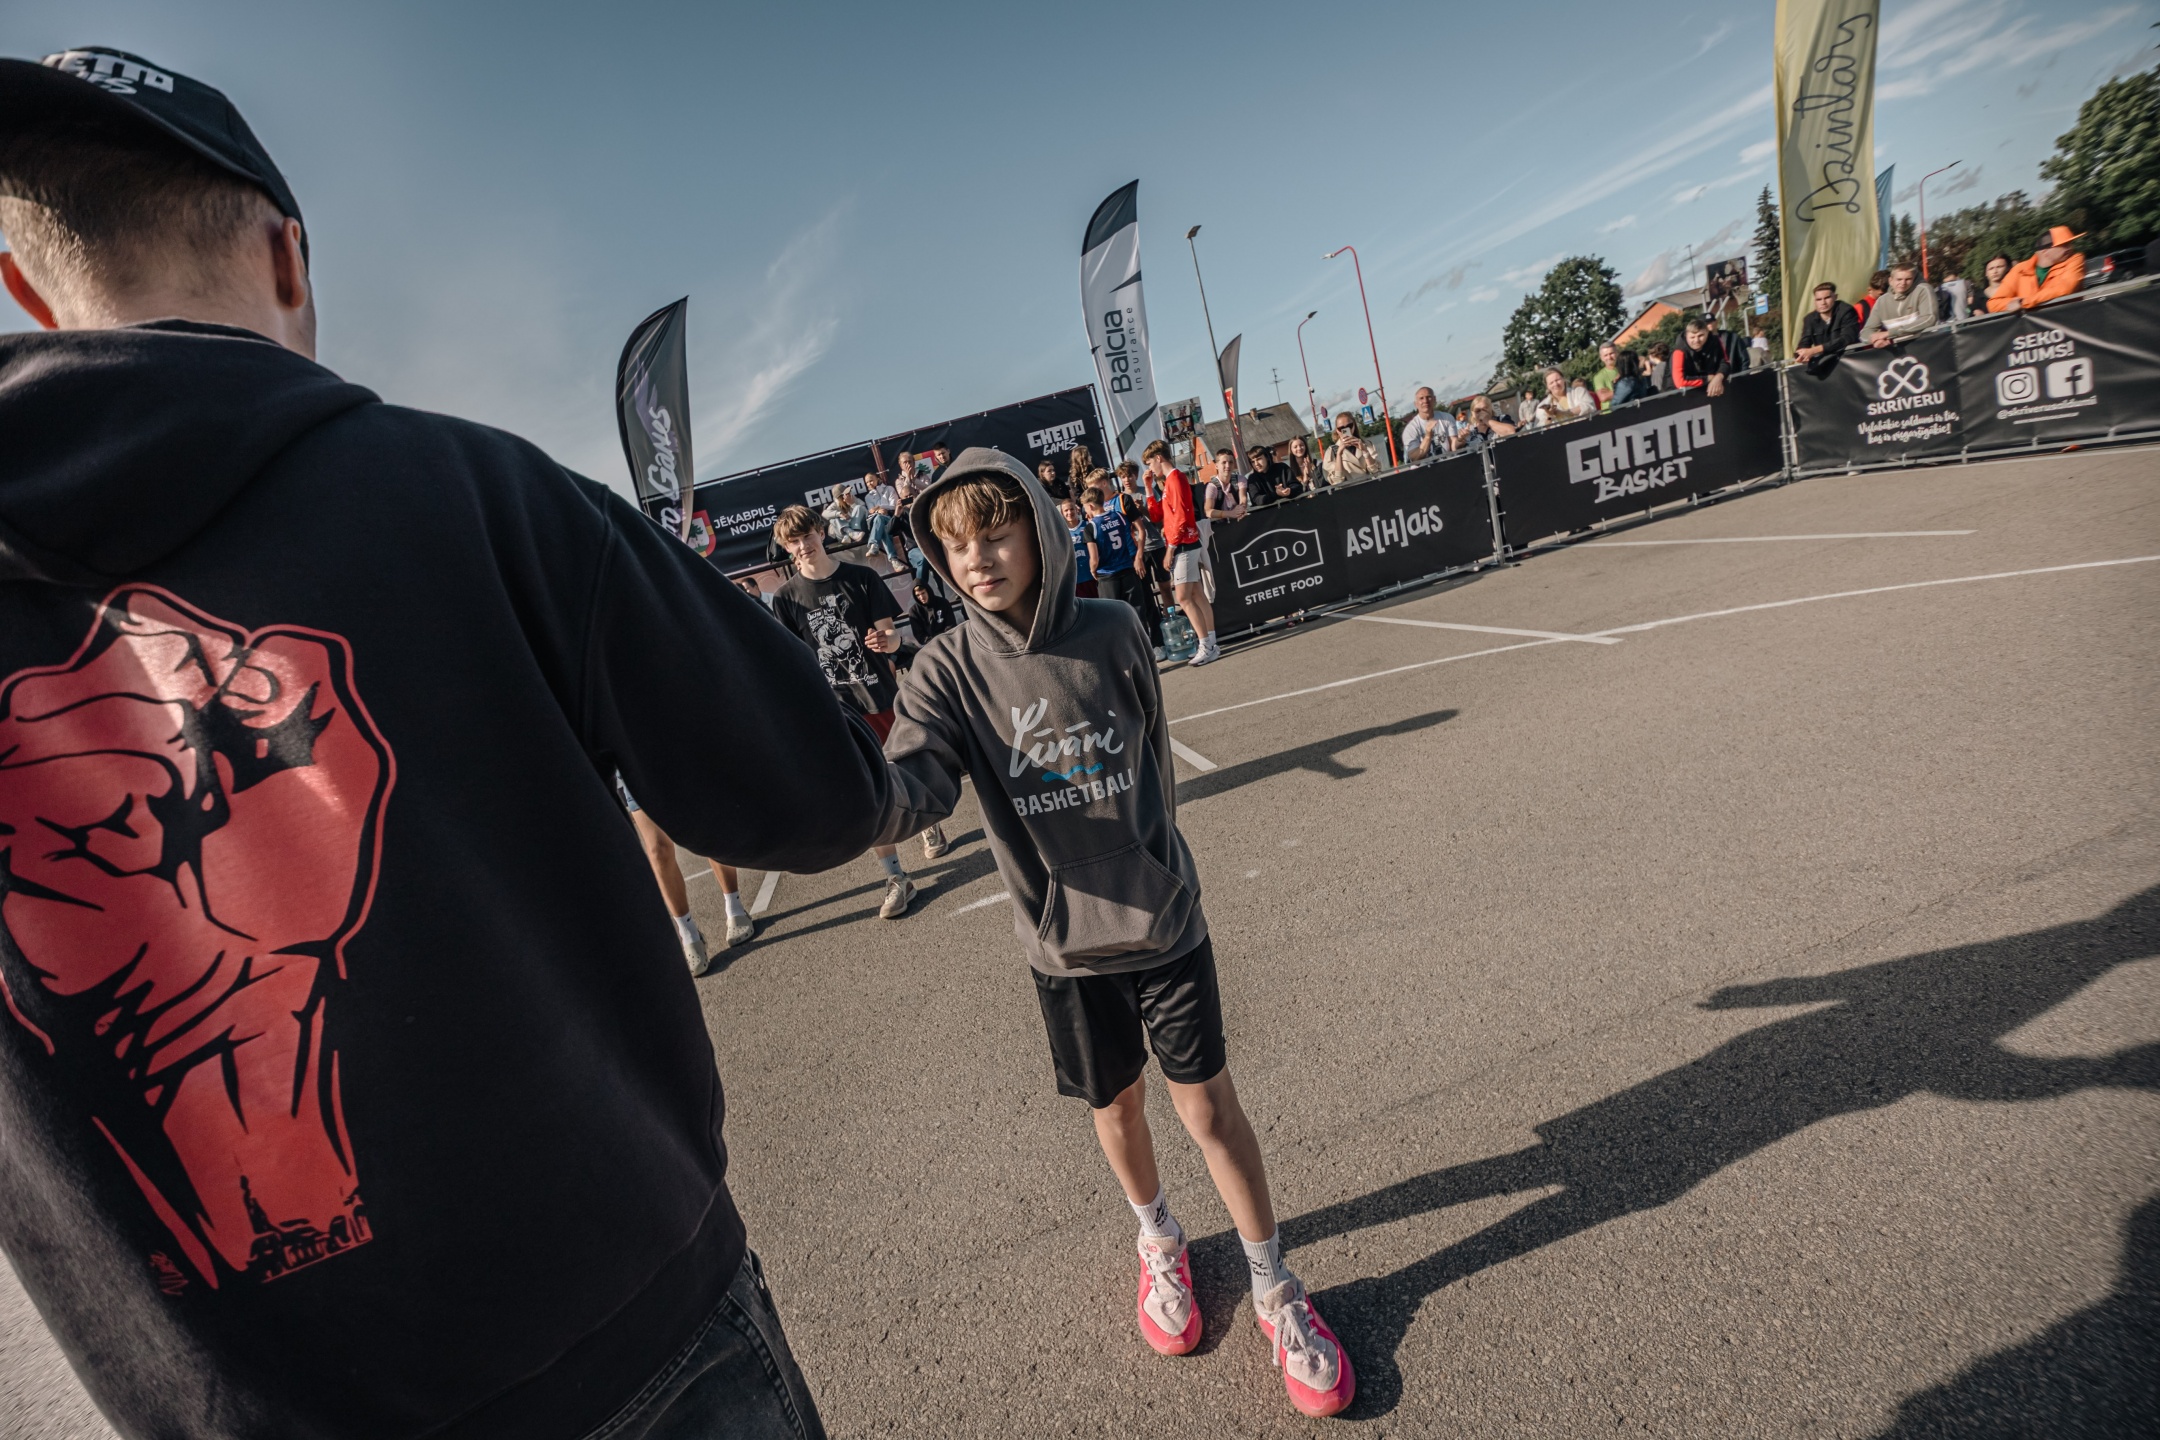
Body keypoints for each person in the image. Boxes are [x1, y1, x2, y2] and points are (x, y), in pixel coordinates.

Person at [0, 45, 878, 1439]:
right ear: (288, 259)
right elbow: (818, 792)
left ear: (32, 293)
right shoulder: (468, 488)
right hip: (632, 1338)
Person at [875, 450, 1357, 1418]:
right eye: (957, 545)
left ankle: (1275, 1287)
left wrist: (1156, 872)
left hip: (1163, 921)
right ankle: (1160, 1239)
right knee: (1119, 1110)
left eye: (996, 534)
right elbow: (908, 789)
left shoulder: (1115, 629)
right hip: (1064, 950)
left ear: (1042, 532)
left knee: (1209, 1110)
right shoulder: (945, 670)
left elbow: (1156, 772)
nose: (977, 559)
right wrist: (833, 793)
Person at [770, 505, 945, 888]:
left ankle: (925, 826)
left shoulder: (862, 578)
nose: (803, 545)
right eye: (793, 541)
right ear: (786, 547)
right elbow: (791, 662)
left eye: (807, 535)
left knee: (903, 771)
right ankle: (895, 876)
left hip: (880, 694)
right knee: (868, 792)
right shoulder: (785, 599)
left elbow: (893, 636)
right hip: (837, 711)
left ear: (821, 532)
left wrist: (888, 641)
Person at [619, 776, 757, 971]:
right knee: (658, 850)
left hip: (678, 758)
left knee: (707, 826)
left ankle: (735, 908)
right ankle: (688, 934)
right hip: (633, 769)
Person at [1143, 439, 1218, 665]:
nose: (1150, 468)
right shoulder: (1169, 481)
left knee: (1184, 598)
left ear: (1158, 458)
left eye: (1150, 463)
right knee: (1196, 595)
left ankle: (1206, 645)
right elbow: (1156, 516)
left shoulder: (1175, 478)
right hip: (1183, 543)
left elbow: (1182, 518)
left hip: (1184, 544)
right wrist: (1148, 488)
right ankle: (1210, 643)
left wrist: (1171, 549)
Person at [1083, 482, 1159, 646]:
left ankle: (1123, 652)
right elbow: (1131, 534)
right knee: (1137, 612)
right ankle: (1146, 648)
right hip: (1127, 568)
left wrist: (1093, 569)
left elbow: (1094, 559)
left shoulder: (1091, 527)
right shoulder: (1119, 516)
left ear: (1090, 506)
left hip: (1108, 574)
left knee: (1112, 616)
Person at [1987, 226, 2087, 312]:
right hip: (2033, 328)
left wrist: (2023, 302)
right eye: (2064, 245)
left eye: (2070, 244)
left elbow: (2065, 289)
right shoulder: (2019, 269)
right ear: (2045, 251)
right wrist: (2012, 303)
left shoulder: (2076, 259)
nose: (2070, 248)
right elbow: (1993, 304)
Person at [1861, 262, 1939, 347]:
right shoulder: (1881, 301)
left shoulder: (1923, 290)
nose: (1903, 283)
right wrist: (1875, 340)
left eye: (1908, 279)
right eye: (1899, 279)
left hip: (1928, 346)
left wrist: (1889, 333)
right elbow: (1865, 332)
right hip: (1900, 351)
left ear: (1914, 279)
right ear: (1890, 281)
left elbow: (1929, 319)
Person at [1794, 281, 1860, 376]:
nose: (1823, 303)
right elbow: (1804, 342)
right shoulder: (1809, 319)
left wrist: (1814, 350)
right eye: (1819, 299)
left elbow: (1847, 338)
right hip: (1825, 368)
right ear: (1814, 301)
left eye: (1827, 298)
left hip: (1850, 364)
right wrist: (1801, 354)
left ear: (1835, 297)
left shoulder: (1847, 311)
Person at [1670, 319, 1732, 396]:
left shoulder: (1715, 341)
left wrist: (1719, 377)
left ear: (1707, 332)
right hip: (1679, 395)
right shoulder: (1679, 351)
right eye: (1692, 337)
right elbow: (1680, 382)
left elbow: (1725, 362)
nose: (1696, 340)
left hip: (1710, 391)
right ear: (1686, 336)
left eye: (1700, 336)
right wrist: (1708, 378)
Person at [1400, 385, 1459, 462]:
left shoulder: (1447, 418)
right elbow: (1414, 458)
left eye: (1428, 397)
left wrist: (1461, 440)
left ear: (1434, 399)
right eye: (1421, 398)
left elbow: (1453, 446)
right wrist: (1428, 436)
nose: (1425, 401)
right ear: (1416, 404)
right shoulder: (1410, 429)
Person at [863, 469, 905, 569]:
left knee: (882, 523)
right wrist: (879, 511)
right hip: (877, 520)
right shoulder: (868, 497)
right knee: (880, 521)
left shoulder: (889, 489)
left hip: (891, 517)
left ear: (877, 479)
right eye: (867, 482)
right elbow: (871, 511)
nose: (869, 483)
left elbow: (894, 505)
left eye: (871, 480)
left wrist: (880, 507)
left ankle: (874, 545)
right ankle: (894, 560)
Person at [1322, 412, 1381, 484]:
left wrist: (1365, 451)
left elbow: (1376, 471)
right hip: (1349, 489)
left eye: (1349, 426)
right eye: (1341, 428)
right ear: (1337, 430)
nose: (1346, 430)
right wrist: (1339, 454)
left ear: (1354, 426)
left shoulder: (1366, 444)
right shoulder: (1331, 451)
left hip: (1369, 486)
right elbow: (1336, 481)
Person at [1530, 367, 1595, 428]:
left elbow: (1589, 407)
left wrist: (1565, 412)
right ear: (1547, 386)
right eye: (1551, 383)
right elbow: (1541, 429)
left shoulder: (1579, 392)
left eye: (1557, 380)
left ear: (1563, 379)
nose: (1555, 384)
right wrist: (1549, 416)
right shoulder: (1542, 407)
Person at [1060, 493, 1098, 598]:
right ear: (1062, 513)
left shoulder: (1087, 526)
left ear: (1077, 510)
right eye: (1066, 510)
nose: (1069, 512)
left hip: (1092, 576)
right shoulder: (1062, 532)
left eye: (1071, 509)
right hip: (1075, 579)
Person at [1451, 394, 1518, 451]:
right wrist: (1460, 439)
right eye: (1477, 411)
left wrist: (1487, 420)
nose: (1482, 413)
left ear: (1490, 409)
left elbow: (1511, 432)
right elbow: (1455, 449)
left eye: (1485, 409)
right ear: (1472, 413)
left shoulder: (1502, 419)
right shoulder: (1470, 430)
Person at [907, 576, 957, 645]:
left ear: (928, 591)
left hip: (948, 640)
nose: (921, 597)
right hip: (930, 645)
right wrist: (934, 643)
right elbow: (919, 635)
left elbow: (951, 625)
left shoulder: (943, 603)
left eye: (923, 593)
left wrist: (944, 640)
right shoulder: (914, 611)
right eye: (918, 595)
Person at [822, 483, 868, 548]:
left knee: (858, 507)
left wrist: (852, 504)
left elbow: (865, 511)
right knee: (833, 518)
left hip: (859, 532)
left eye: (848, 492)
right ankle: (850, 533)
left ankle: (854, 533)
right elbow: (824, 513)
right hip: (844, 537)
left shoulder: (854, 499)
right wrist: (839, 514)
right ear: (841, 497)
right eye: (846, 494)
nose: (848, 494)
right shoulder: (835, 505)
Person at [1590, 345, 1621, 411]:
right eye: (1606, 355)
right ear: (1601, 358)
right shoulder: (1599, 377)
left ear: (1617, 353)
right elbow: (1603, 397)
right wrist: (1625, 391)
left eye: (1611, 353)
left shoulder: (1626, 369)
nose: (1609, 357)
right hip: (1610, 413)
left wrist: (1611, 392)